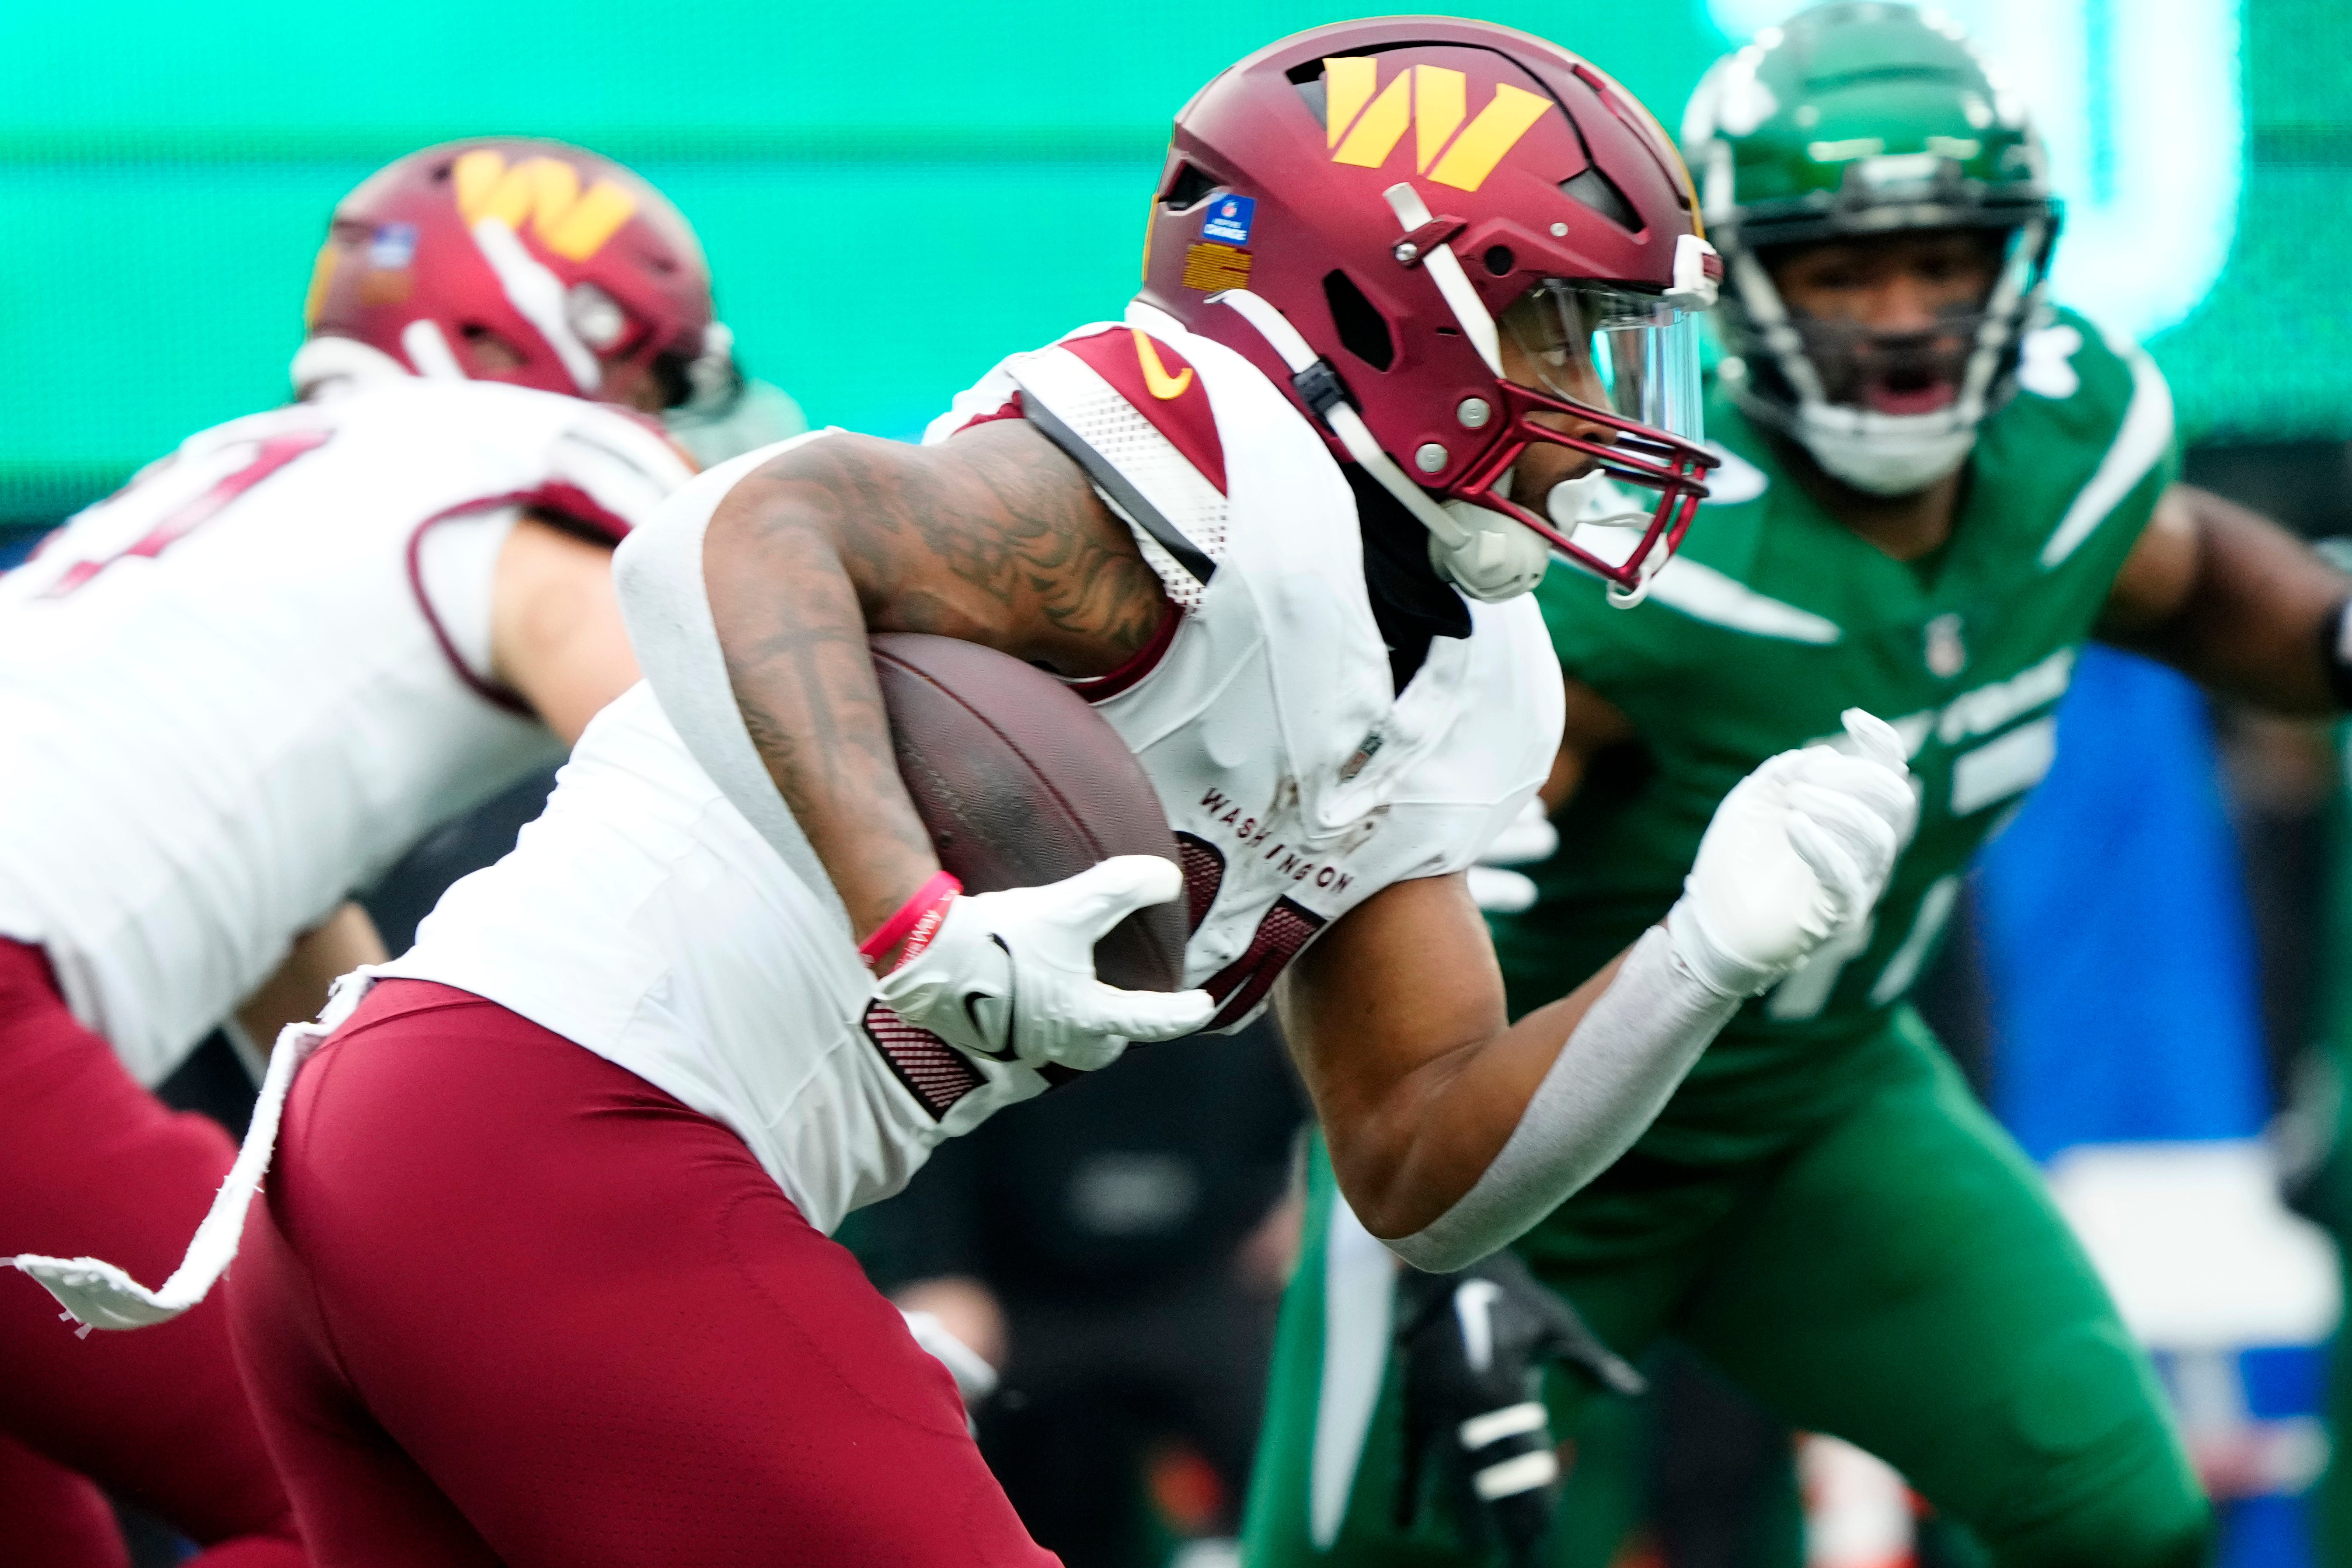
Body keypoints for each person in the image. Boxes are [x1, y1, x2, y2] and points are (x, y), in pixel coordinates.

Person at [17, 19, 1919, 1565]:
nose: (1609, 391)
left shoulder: (1470, 675)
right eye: (1556, 324)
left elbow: (1420, 1166)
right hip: (561, 1136)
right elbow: (734, 541)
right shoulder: (1209, 464)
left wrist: (1698, 960)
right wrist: (912, 915)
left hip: (419, 1165)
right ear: (1377, 308)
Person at [1239, 7, 2352, 1566]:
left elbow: (2184, 581)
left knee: (2121, 1516)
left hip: (1824, 1109)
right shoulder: (1637, 558)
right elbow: (1384, 941)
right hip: (1529, 1162)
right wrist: (1443, 1256)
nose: (1901, 316)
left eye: (1941, 260)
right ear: (1745, 284)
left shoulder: (2064, 450)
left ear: (2013, 260)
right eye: (1843, 269)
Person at [0, 136, 706, 1565]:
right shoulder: (528, 464)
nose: (652, 408)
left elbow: (300, 972)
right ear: (546, 328)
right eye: (651, 368)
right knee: (386, 1503)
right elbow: (696, 782)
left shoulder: (244, 471)